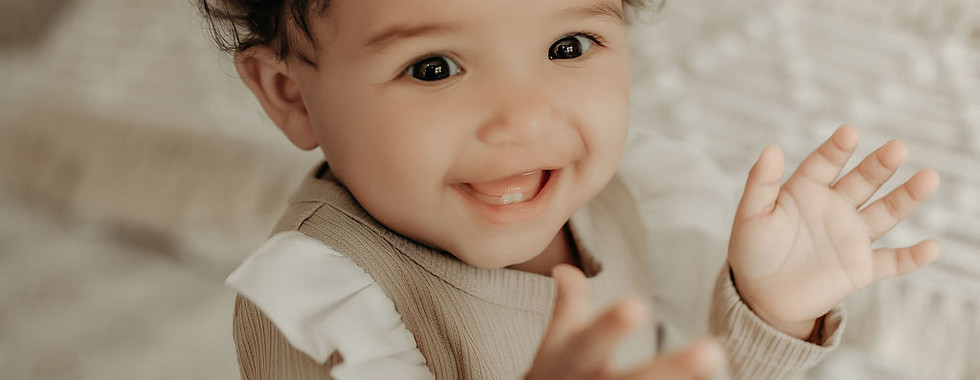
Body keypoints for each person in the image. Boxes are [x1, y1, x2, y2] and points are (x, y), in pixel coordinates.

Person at [198, 0, 942, 378]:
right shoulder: (315, 306)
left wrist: (768, 312)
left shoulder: (626, 195)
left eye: (567, 47)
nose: (525, 120)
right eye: (433, 67)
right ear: (289, 93)